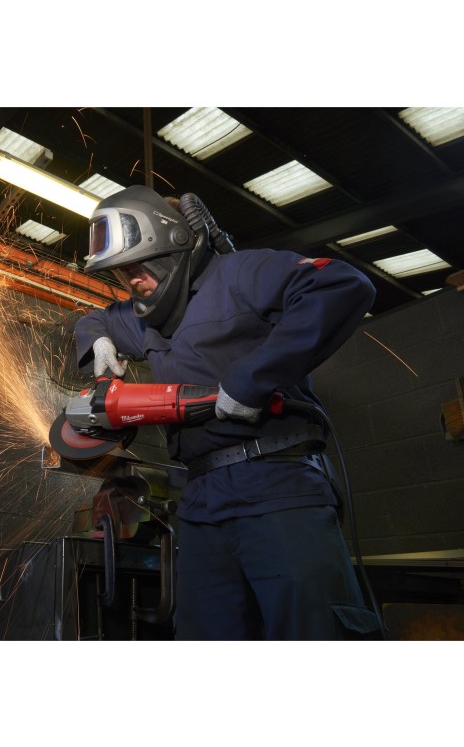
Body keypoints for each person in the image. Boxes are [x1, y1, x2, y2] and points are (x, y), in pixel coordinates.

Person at [74, 184, 382, 640]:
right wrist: (98, 340)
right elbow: (95, 318)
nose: (131, 281)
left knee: (310, 632)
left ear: (175, 245)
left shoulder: (241, 272)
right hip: (200, 501)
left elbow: (341, 284)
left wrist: (250, 380)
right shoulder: (146, 317)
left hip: (278, 484)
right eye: (122, 273)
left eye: (138, 267)